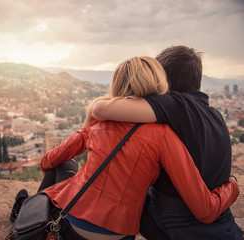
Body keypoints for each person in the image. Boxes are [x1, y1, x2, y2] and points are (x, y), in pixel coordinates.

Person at [10, 56, 239, 240]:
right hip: (121, 233)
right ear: (159, 84)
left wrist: (49, 166)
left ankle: (25, 211)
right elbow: (204, 208)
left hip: (73, 226)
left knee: (64, 165)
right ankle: (25, 207)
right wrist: (232, 185)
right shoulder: (165, 135)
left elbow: (52, 159)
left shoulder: (99, 122)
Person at [91, 46, 243, 239]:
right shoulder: (216, 115)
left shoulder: (176, 104)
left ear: (163, 79)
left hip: (174, 223)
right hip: (221, 225)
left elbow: (101, 110)